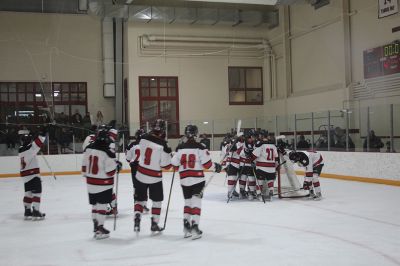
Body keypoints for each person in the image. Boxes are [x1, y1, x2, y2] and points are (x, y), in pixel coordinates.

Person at [171, 125, 221, 239]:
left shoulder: (180, 147)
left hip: (184, 179)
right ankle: (195, 227)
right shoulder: (200, 147)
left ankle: (186, 228)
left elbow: (174, 164)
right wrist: (216, 167)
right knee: (196, 202)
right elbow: (207, 164)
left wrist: (173, 156)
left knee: (187, 202)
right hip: (197, 179)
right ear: (196, 134)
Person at [81, 127, 122, 239]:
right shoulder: (108, 152)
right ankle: (100, 228)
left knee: (95, 205)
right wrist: (117, 165)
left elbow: (84, 167)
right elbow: (110, 172)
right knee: (102, 206)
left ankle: (95, 226)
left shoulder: (89, 149)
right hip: (103, 184)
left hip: (90, 183)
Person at [133, 119, 172, 234]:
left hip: (140, 174)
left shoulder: (143, 138)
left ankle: (137, 218)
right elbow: (165, 166)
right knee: (157, 201)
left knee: (139, 199)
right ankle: (154, 224)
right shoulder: (163, 145)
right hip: (155, 176)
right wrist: (170, 156)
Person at [18, 128, 47, 220]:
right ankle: (36, 211)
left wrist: (32, 134)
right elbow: (39, 142)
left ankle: (27, 211)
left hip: (25, 175)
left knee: (28, 193)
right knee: (37, 193)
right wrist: (43, 133)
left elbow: (30, 143)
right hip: (33, 174)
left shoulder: (21, 149)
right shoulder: (31, 149)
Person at [250, 130, 278, 201]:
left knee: (259, 181)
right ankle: (271, 194)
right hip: (271, 167)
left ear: (262, 136)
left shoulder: (261, 145)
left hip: (262, 167)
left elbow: (254, 155)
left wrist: (250, 159)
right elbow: (276, 157)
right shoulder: (273, 145)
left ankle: (259, 195)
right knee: (270, 181)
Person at [125, 129, 149, 213]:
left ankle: (136, 203)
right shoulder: (148, 145)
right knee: (145, 186)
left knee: (136, 186)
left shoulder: (131, 145)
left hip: (135, 167)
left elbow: (128, 159)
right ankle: (144, 204)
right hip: (145, 167)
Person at [222, 134, 244, 199]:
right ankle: (229, 192)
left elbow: (240, 152)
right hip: (230, 164)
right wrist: (233, 145)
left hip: (237, 164)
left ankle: (233, 190)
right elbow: (228, 150)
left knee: (235, 178)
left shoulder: (240, 144)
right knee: (232, 178)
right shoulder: (227, 145)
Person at [238, 130, 257, 200]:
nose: (254, 138)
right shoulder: (243, 143)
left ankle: (250, 192)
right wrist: (245, 152)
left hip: (249, 163)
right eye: (253, 136)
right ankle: (243, 192)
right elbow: (239, 152)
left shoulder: (253, 143)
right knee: (244, 177)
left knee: (250, 178)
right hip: (244, 163)